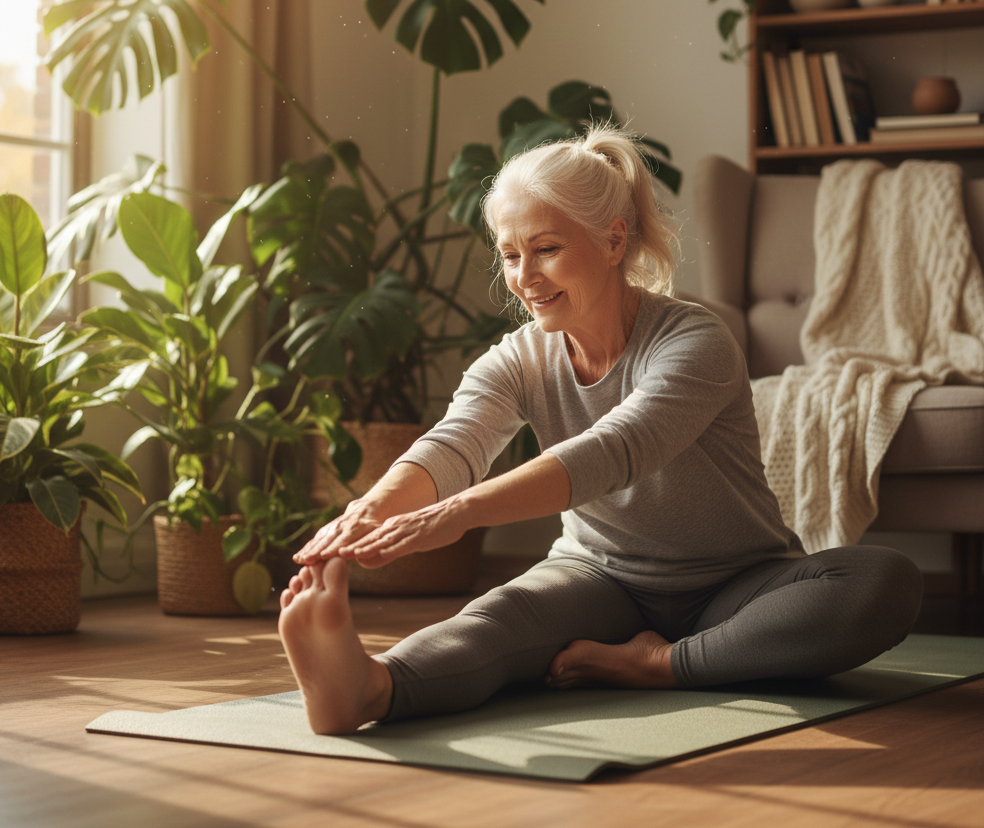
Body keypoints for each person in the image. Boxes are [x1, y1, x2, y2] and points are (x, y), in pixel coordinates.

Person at [278, 126, 923, 735]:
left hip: (735, 584)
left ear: (615, 242)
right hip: (599, 578)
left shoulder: (695, 340)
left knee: (882, 581)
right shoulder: (518, 358)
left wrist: (459, 514)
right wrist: (364, 515)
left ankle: (660, 665)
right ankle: (370, 687)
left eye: (547, 250)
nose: (525, 278)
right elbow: (453, 445)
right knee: (500, 618)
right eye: (510, 255)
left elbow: (615, 451)